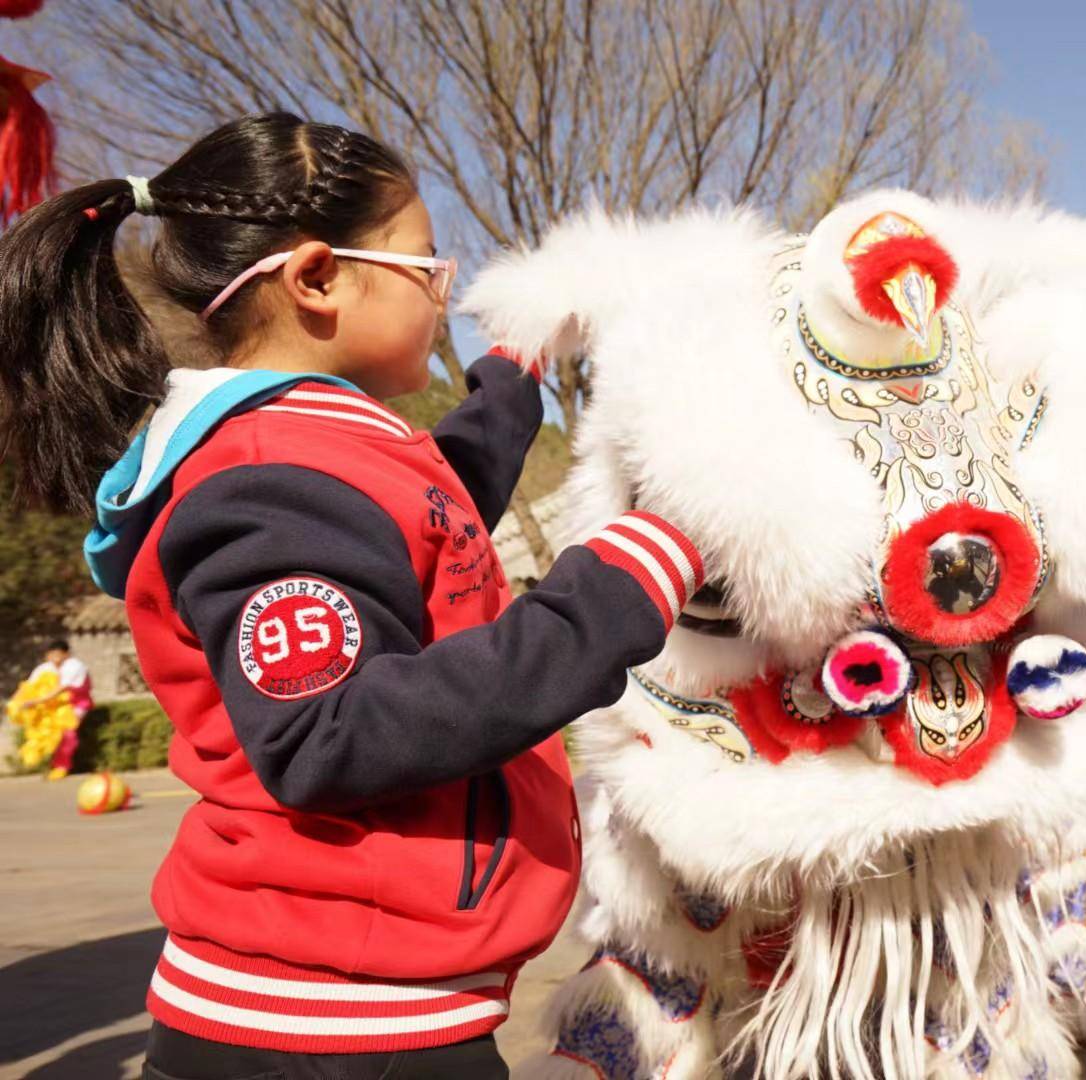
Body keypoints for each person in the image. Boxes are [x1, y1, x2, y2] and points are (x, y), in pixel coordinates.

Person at [0, 113, 704, 1079]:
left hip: (371, 1003)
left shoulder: (324, 450)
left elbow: (434, 507)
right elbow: (331, 733)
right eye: (426, 268)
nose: (442, 292)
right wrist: (623, 582)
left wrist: (515, 370)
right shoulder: (264, 478)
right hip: (321, 1025)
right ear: (319, 277)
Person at [19, 640, 93, 780]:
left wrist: (36, 701)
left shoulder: (75, 666)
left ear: (66, 654)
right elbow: (28, 686)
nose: (54, 658)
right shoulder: (44, 668)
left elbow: (61, 689)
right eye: (51, 655)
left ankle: (62, 766)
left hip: (76, 704)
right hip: (53, 706)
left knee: (67, 733)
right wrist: (17, 702)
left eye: (58, 655)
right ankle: (48, 763)